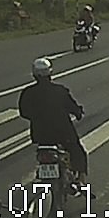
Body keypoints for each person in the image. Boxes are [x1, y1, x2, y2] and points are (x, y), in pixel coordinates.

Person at [19, 58, 87, 186]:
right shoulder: (60, 90)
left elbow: (24, 113)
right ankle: (81, 180)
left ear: (34, 74)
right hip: (63, 132)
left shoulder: (28, 93)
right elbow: (72, 107)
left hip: (40, 135)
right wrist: (78, 113)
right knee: (77, 151)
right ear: (50, 73)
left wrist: (38, 118)